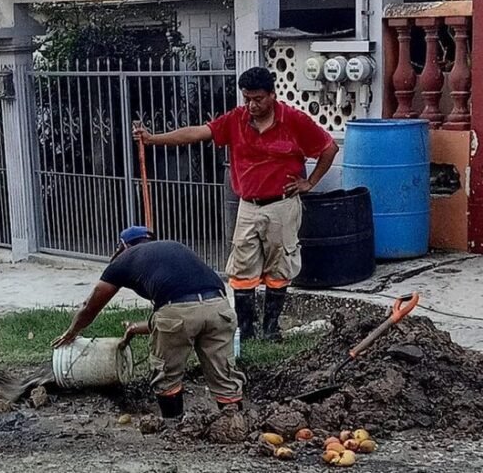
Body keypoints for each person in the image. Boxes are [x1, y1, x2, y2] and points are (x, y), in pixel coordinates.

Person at [133, 67, 338, 341]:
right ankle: (246, 330)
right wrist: (153, 139)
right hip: (248, 206)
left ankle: (271, 329)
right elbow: (198, 133)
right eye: (247, 99)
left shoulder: (294, 120)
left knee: (280, 267)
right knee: (242, 269)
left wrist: (309, 182)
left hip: (282, 205)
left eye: (258, 99)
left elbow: (329, 148)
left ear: (272, 95)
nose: (252, 105)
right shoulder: (235, 119)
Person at [53, 227, 245, 419]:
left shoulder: (125, 259)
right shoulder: (174, 248)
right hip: (221, 309)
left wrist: (72, 331)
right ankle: (235, 424)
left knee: (167, 376)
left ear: (123, 246)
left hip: (177, 312)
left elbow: (90, 306)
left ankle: (174, 427)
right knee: (224, 375)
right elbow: (192, 310)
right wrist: (135, 328)